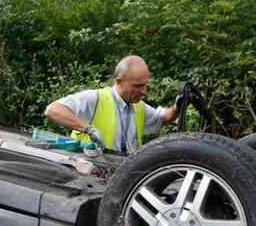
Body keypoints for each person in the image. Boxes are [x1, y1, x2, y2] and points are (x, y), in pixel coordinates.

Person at [45, 55, 182, 156]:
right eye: (138, 86)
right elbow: (53, 110)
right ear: (119, 81)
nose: (144, 91)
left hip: (120, 175)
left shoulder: (139, 107)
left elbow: (163, 118)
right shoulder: (95, 98)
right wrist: (88, 129)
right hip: (89, 174)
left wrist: (177, 106)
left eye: (145, 85)